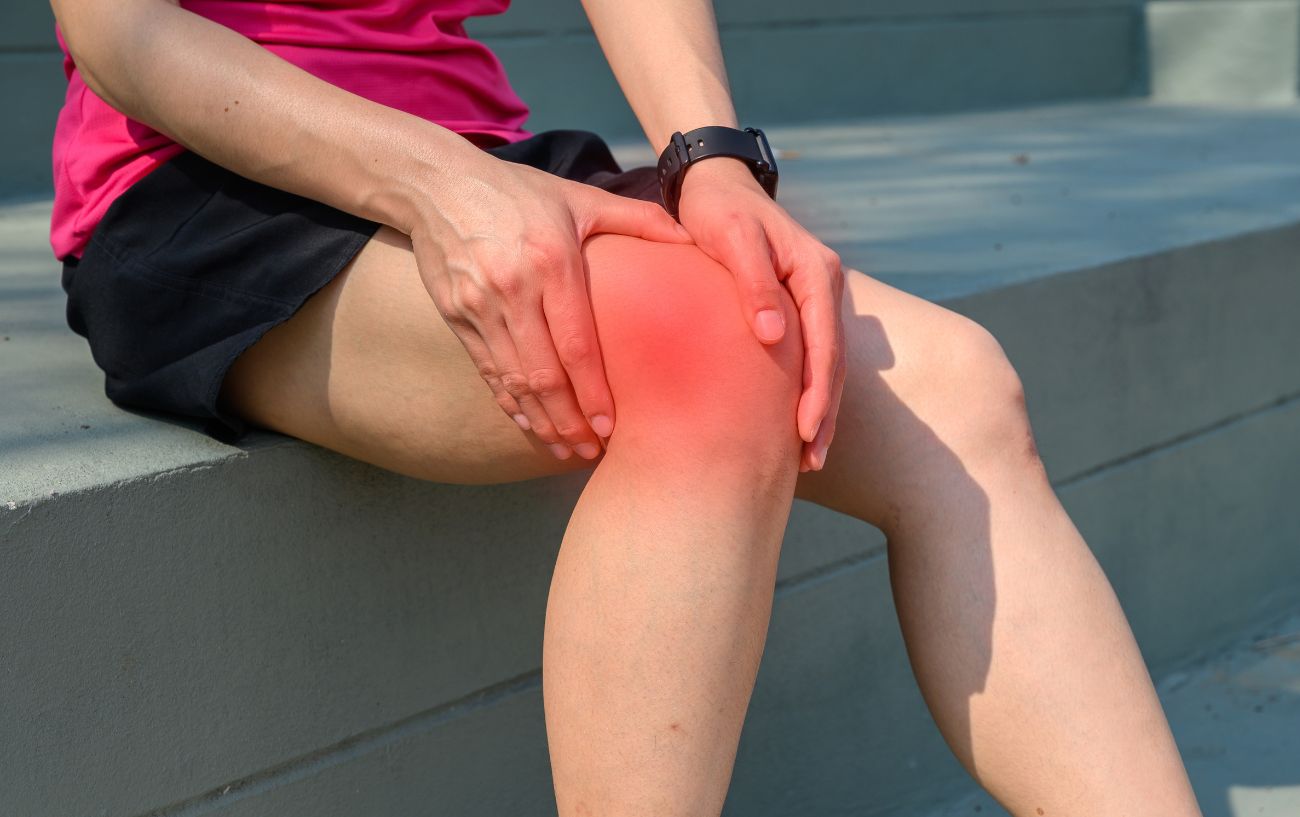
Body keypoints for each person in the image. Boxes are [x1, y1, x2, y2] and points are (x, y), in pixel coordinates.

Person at [48, 1, 1204, 814]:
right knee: (710, 351)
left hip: (489, 157)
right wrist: (441, 188)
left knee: (961, 391)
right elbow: (116, 29)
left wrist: (711, 163)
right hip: (203, 178)